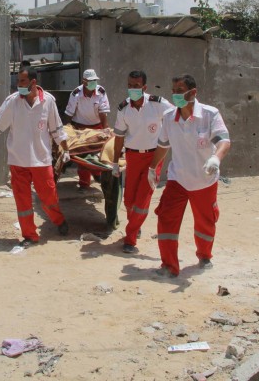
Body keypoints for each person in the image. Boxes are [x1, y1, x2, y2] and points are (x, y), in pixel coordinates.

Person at [0, 67, 67, 247]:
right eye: (18, 81)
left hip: (41, 160)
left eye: (22, 81)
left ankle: (59, 221)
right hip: (18, 160)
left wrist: (66, 150)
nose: (18, 85)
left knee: (49, 198)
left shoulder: (49, 101)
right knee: (23, 202)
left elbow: (57, 129)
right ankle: (29, 235)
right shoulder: (12, 102)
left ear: (33, 82)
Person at [152, 75, 231, 278]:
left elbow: (223, 141)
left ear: (193, 92)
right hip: (177, 178)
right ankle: (169, 265)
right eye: (174, 90)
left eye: (180, 90)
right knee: (166, 218)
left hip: (204, 180)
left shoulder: (209, 115)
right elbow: (163, 146)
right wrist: (152, 168)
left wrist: (216, 158)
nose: (175, 94)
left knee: (205, 222)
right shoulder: (169, 117)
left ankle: (204, 255)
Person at [112, 70, 174, 255]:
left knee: (141, 201)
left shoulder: (158, 104)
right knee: (129, 199)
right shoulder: (124, 108)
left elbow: (174, 117)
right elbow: (119, 137)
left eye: (136, 86)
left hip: (154, 157)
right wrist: (115, 162)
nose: (132, 89)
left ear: (144, 87)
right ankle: (135, 225)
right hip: (132, 156)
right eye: (130, 85)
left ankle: (130, 239)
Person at [64, 69, 113, 190]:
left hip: (97, 127)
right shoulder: (76, 94)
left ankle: (97, 174)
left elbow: (103, 112)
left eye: (95, 80)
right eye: (91, 81)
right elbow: (69, 114)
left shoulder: (101, 92)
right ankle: (84, 183)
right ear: (84, 82)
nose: (93, 83)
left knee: (99, 154)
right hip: (80, 128)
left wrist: (105, 129)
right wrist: (67, 130)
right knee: (83, 156)